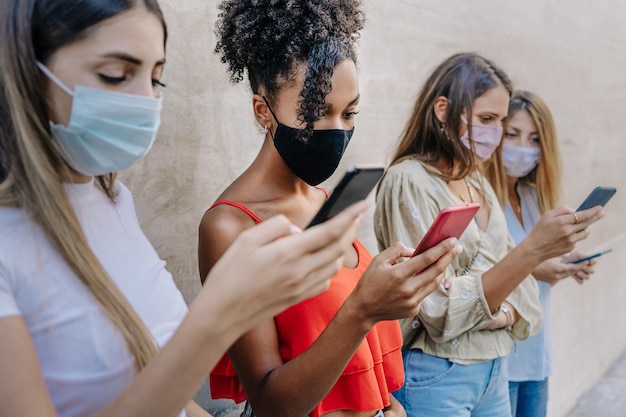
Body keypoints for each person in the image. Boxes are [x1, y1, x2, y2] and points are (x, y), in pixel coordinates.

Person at [0, 1, 371, 416]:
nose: (146, 101)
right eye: (116, 75)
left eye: (156, 79)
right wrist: (223, 312)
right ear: (25, 72)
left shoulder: (112, 202)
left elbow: (165, 393)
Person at [199, 1, 462, 417]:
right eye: (317, 112)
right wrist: (364, 308)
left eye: (349, 112)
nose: (337, 130)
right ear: (263, 111)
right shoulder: (229, 226)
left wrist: (387, 402)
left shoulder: (324, 200)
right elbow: (272, 404)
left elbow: (342, 349)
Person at [373, 53, 604, 417]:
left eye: (500, 120)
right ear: (443, 109)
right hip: (438, 372)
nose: (495, 133)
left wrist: (506, 308)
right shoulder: (409, 181)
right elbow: (437, 310)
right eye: (486, 119)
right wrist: (528, 255)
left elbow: (526, 294)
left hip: (495, 369)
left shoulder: (477, 180)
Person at [483, 90, 597, 417]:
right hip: (500, 359)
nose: (523, 146)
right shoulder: (482, 198)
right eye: (513, 134)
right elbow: (476, 273)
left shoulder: (532, 197)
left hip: (536, 356)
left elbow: (536, 268)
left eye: (534, 138)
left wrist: (564, 265)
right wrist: (537, 267)